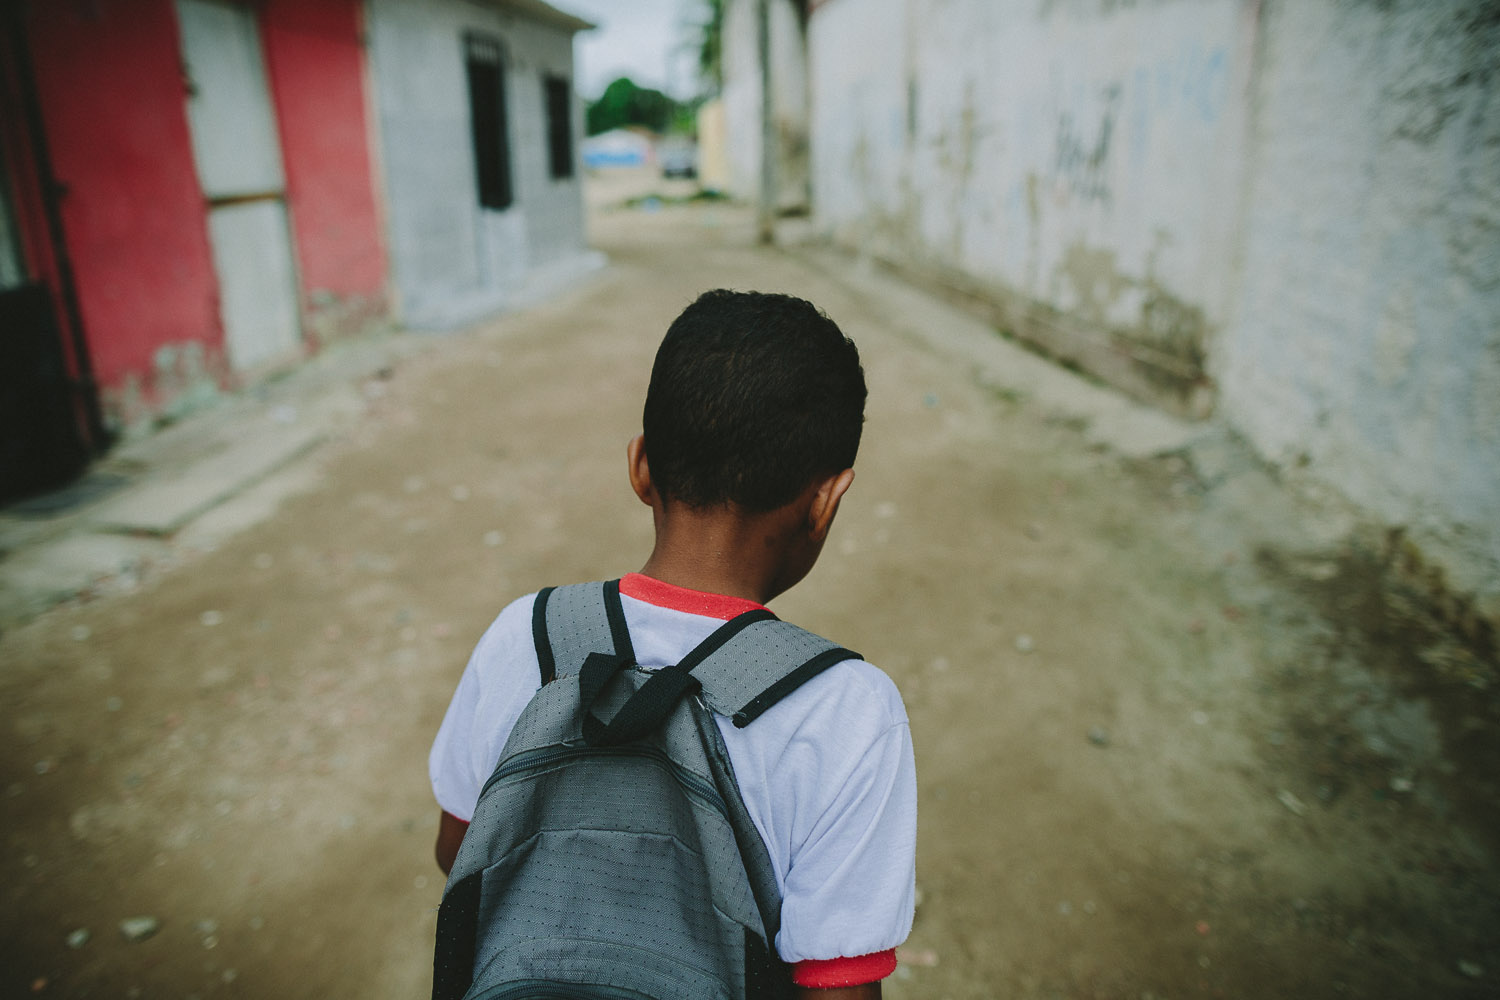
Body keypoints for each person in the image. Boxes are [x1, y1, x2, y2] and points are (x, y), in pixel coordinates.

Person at [428, 289, 917, 998]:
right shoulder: (848, 711)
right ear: (826, 501)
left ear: (640, 467)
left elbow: (459, 851)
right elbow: (836, 988)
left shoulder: (526, 635)